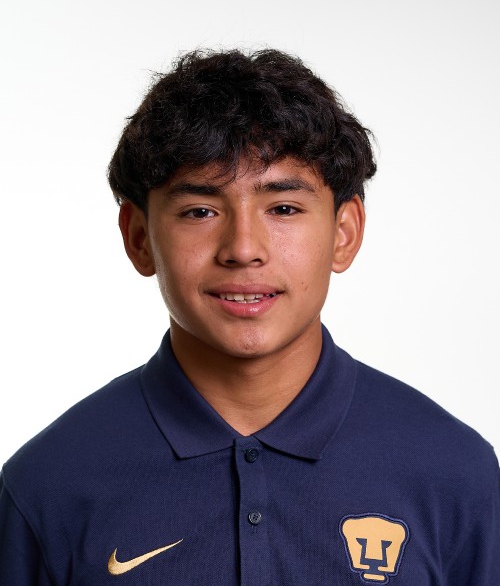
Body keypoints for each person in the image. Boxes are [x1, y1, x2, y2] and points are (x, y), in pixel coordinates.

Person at [0, 49, 498, 586]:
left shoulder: (455, 472)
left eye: (283, 209)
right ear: (139, 238)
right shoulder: (47, 484)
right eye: (200, 211)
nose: (242, 249)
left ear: (344, 232)